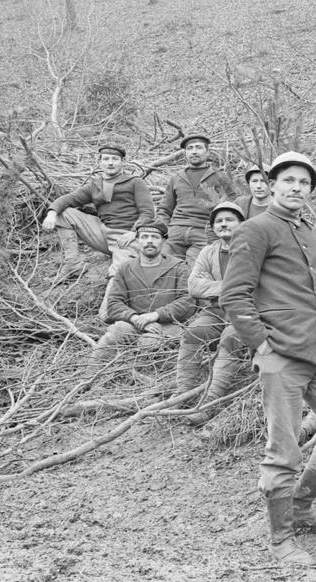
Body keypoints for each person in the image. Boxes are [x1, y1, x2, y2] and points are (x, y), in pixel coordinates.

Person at [220, 152, 316, 567]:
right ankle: (281, 539)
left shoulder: (313, 231)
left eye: (304, 183)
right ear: (271, 185)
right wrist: (262, 346)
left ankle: (302, 507)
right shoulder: (255, 230)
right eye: (288, 180)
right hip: (282, 355)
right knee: (283, 450)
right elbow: (234, 295)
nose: (296, 188)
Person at [92, 221, 197, 367]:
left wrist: (156, 315)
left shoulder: (178, 267)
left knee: (148, 343)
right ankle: (89, 377)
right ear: (137, 240)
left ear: (164, 241)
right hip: (134, 323)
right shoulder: (125, 268)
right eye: (144, 236)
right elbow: (114, 302)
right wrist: (134, 318)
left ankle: (140, 380)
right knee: (116, 331)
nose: (149, 241)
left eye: (155, 237)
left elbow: (187, 301)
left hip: (168, 325)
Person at [42, 144, 155, 278]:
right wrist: (52, 213)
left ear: (122, 162)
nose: (110, 163)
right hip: (103, 234)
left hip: (127, 238)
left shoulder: (135, 182)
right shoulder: (95, 185)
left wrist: (134, 232)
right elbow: (70, 198)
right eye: (106, 159)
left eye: (115, 159)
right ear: (100, 162)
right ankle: (72, 266)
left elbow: (148, 212)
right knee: (64, 214)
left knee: (119, 274)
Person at [175, 201, 245, 399]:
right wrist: (231, 286)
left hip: (247, 311)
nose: (223, 224)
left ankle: (211, 400)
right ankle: (182, 394)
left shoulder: (253, 249)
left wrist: (214, 286)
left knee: (231, 337)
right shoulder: (208, 252)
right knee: (193, 332)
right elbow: (194, 286)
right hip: (216, 311)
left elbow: (256, 286)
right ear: (213, 227)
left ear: (242, 224)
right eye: (219, 221)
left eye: (230, 220)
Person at [161, 135, 236, 266]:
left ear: (207, 152)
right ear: (185, 154)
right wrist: (164, 229)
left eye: (198, 148)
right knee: (163, 266)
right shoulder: (176, 178)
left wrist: (216, 230)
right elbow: (164, 209)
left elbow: (233, 205)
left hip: (203, 231)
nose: (194, 151)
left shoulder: (220, 177)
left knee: (196, 268)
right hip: (175, 231)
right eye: (190, 148)